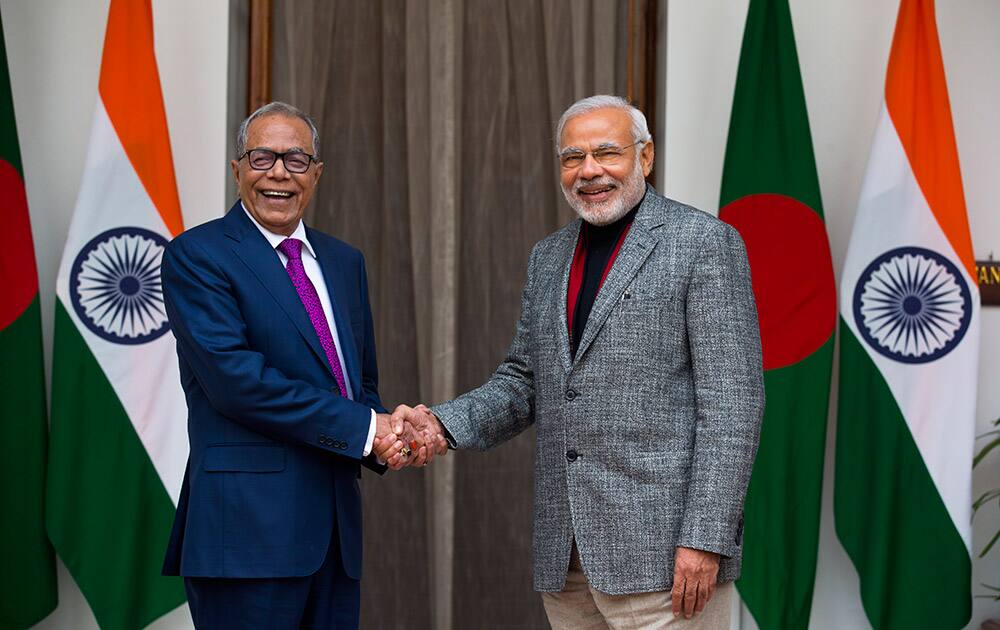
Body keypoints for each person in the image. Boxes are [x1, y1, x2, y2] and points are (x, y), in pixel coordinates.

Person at [389, 95, 764, 628]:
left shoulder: (703, 243)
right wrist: (440, 426)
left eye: (606, 152)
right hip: (567, 565)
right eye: (572, 157)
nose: (589, 170)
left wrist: (705, 540)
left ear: (645, 157)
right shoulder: (549, 257)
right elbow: (524, 383)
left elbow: (733, 405)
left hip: (667, 565)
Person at [160, 101, 431, 629]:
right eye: (262, 158)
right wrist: (363, 429)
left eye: (296, 159)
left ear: (317, 173)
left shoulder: (344, 261)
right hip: (245, 540)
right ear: (237, 169)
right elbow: (237, 382)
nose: (279, 172)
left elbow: (357, 384)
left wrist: (388, 435)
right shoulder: (197, 256)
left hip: (334, 538)